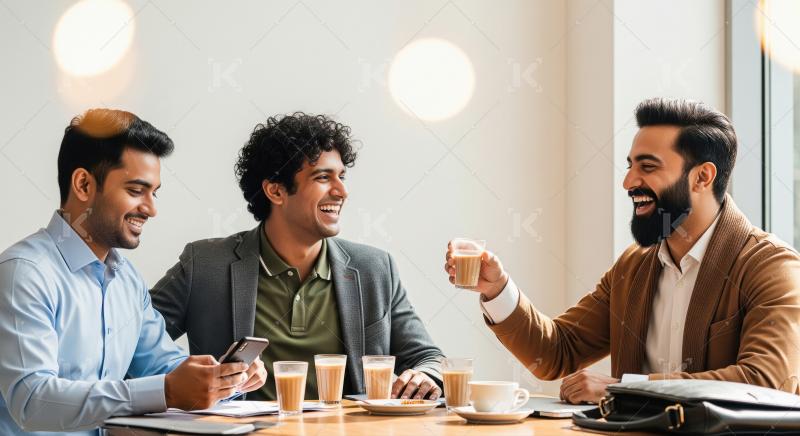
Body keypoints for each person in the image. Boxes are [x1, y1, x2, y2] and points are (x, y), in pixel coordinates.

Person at [444, 97, 800, 404]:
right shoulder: (635, 265)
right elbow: (556, 353)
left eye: (648, 167)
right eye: (630, 166)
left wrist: (626, 390)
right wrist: (497, 288)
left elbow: (765, 382)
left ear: (702, 177)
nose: (628, 182)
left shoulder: (771, 266)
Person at [0, 109, 266, 435]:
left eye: (154, 193)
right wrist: (167, 391)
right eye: (136, 190)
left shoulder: (127, 280)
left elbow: (163, 367)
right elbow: (31, 402)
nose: (151, 209)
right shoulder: (23, 275)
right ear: (84, 184)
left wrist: (223, 380)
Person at [151, 113, 444, 401]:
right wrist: (179, 375)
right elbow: (130, 343)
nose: (342, 191)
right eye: (323, 177)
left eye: (341, 176)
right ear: (276, 191)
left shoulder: (375, 268)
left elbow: (428, 357)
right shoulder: (205, 265)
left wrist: (424, 375)